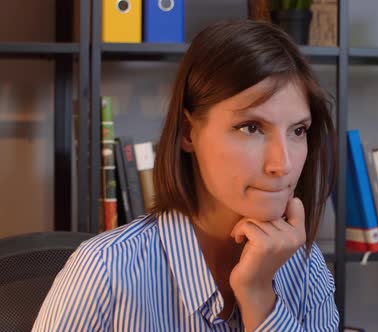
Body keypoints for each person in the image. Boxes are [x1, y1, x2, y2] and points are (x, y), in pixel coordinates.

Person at [33, 19, 339, 331]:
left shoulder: (304, 266)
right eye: (251, 128)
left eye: (298, 130)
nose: (283, 164)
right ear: (188, 131)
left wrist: (259, 297)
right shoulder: (105, 273)